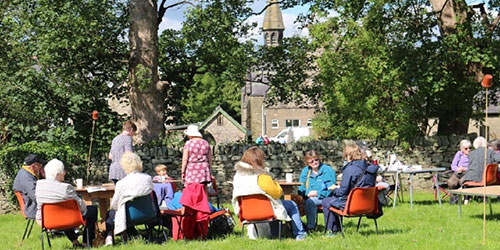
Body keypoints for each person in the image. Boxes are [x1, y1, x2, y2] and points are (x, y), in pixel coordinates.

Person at [232, 147, 307, 240]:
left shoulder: (237, 176)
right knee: (291, 204)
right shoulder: (262, 176)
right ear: (259, 161)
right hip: (266, 211)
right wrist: (273, 181)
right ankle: (300, 234)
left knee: (275, 203)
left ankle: (276, 232)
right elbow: (277, 193)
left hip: (246, 212)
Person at [35, 159, 97, 248]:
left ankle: (75, 241)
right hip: (67, 219)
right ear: (57, 174)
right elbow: (83, 208)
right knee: (92, 210)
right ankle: (86, 242)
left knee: (63, 212)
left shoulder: (39, 186)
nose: (65, 173)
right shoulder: (66, 187)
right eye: (63, 171)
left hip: (47, 221)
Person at [321, 142, 378, 237]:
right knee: (333, 200)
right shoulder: (371, 168)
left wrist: (334, 189)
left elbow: (342, 192)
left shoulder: (350, 169)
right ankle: (337, 230)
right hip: (368, 205)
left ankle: (333, 231)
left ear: (348, 155)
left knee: (327, 201)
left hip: (352, 205)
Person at [105, 152, 153, 246]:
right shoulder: (148, 178)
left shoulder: (121, 183)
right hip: (148, 212)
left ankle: (109, 237)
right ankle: (132, 234)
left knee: (110, 214)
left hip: (129, 215)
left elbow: (115, 204)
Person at [298, 150, 336, 231]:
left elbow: (331, 188)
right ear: (307, 163)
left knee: (310, 202)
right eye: (311, 161)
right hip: (307, 196)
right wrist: (307, 193)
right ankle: (297, 227)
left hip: (325, 197)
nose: (314, 162)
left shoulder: (327, 170)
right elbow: (301, 186)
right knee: (294, 201)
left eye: (316, 160)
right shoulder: (306, 171)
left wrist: (317, 194)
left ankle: (310, 227)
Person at [13, 154, 46, 220]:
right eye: (39, 165)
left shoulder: (27, 173)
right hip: (32, 209)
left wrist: (44, 177)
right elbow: (35, 196)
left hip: (34, 206)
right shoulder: (26, 177)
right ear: (33, 166)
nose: (41, 167)